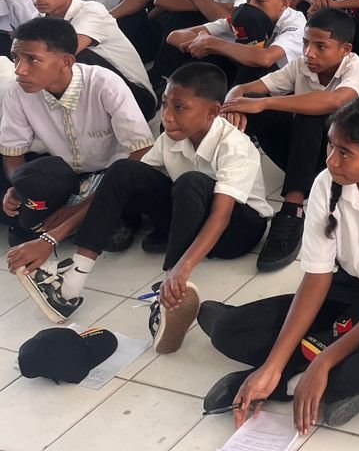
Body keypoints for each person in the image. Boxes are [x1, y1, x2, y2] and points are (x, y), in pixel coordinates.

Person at [200, 94, 359, 432]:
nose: (331, 160)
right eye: (331, 145)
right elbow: (317, 278)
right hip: (350, 288)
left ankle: (291, 381)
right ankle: (305, 370)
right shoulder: (326, 183)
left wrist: (322, 362)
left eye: (344, 152)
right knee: (229, 332)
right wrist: (274, 363)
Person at [33, 63, 270, 351]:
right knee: (123, 169)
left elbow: (221, 217)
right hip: (191, 219)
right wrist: (52, 237)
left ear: (212, 111)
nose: (167, 116)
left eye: (179, 107)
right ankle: (73, 279)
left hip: (237, 231)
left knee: (191, 181)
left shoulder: (234, 146)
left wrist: (181, 269)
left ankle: (170, 292)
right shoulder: (171, 137)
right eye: (165, 104)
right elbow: (124, 183)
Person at [2, 18, 153, 322]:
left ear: (66, 62)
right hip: (66, 175)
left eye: (32, 59)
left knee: (114, 234)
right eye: (16, 58)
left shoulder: (103, 83)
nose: (20, 70)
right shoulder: (18, 92)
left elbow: (141, 151)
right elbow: (12, 151)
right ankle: (59, 225)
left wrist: (78, 210)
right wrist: (18, 187)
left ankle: (71, 229)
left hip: (112, 177)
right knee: (23, 211)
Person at [27, 0, 157, 119]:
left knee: (69, 58)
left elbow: (64, 54)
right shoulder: (38, 18)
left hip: (136, 99)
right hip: (91, 104)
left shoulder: (92, 11)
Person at [163, 0, 305, 88]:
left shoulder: (296, 23)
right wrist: (205, 43)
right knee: (202, 61)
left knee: (252, 67)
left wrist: (214, 44)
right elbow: (175, 36)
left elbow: (265, 58)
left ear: (284, 3)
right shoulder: (244, 18)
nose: (251, 5)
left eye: (260, 0)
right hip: (242, 74)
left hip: (280, 86)